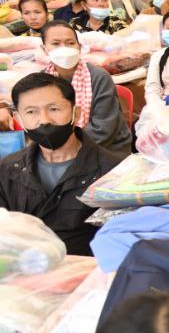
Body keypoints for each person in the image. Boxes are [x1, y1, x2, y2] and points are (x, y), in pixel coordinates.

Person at [0, 73, 123, 255]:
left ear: (76, 113)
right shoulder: (7, 169)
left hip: (85, 267)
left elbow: (119, 241)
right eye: (31, 112)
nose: (44, 120)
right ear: (18, 118)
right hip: (23, 265)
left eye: (54, 109)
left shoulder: (113, 171)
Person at [38, 23, 131, 155]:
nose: (64, 48)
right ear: (44, 49)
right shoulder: (40, 81)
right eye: (56, 44)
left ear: (79, 47)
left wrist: (66, 148)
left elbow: (104, 129)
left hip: (106, 147)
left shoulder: (98, 77)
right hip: (57, 149)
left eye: (70, 43)